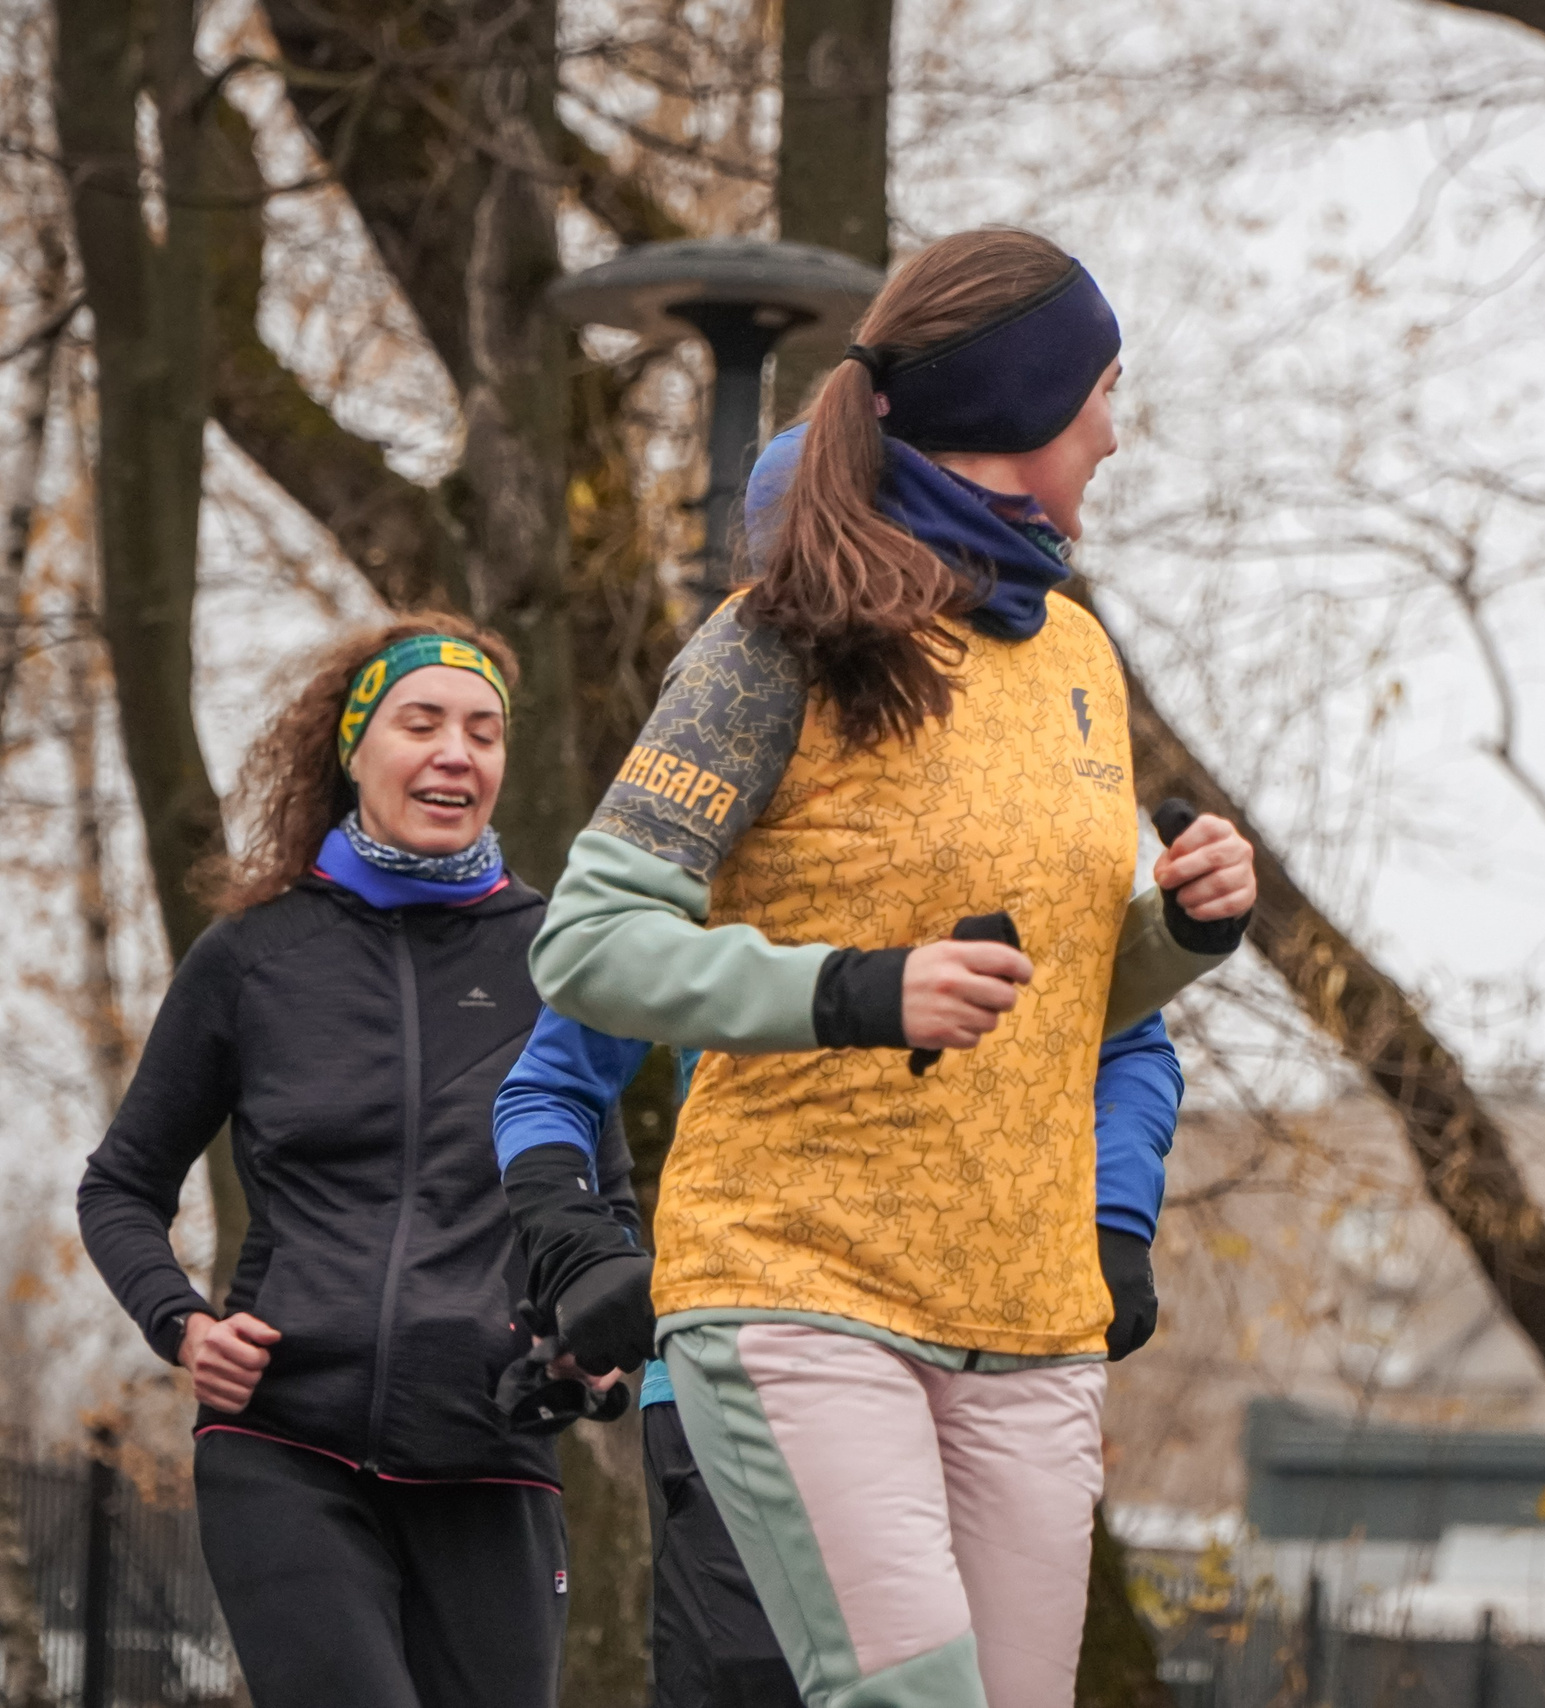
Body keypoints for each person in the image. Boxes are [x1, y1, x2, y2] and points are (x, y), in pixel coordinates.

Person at [521, 226, 1255, 1708]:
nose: (1115, 435)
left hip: (1031, 1317)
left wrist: (1179, 932)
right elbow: (588, 941)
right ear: (1021, 411)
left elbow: (1044, 1007)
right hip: (799, 1287)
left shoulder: (1077, 659)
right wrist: (849, 991)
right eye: (1102, 394)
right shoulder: (775, 638)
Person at [77, 618, 628, 1708]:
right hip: (289, 1440)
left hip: (491, 1449)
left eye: (482, 731)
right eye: (420, 723)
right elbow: (121, 1185)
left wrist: (590, 1344)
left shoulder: (557, 961)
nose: (455, 753)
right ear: (354, 748)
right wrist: (182, 1324)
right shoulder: (253, 957)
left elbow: (599, 1204)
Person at [492, 1000, 1183, 1708]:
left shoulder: (1049, 887)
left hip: (985, 1377)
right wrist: (582, 1254)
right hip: (750, 1374)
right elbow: (548, 1085)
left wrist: (1117, 1215)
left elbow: (1128, 1043)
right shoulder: (697, 886)